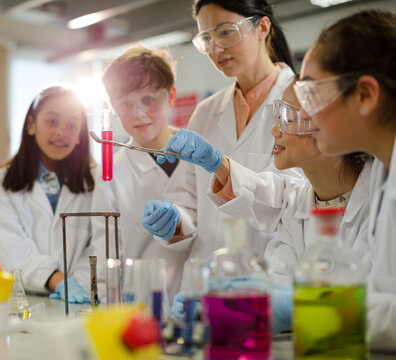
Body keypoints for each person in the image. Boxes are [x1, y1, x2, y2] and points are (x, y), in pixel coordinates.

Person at [168, 80, 373, 334]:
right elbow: (278, 288)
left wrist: (300, 306)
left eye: (287, 117)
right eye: (277, 115)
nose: (274, 130)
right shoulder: (298, 207)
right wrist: (222, 311)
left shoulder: (379, 200)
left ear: (332, 125)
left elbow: (380, 308)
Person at [142, 0, 304, 263]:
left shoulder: (298, 102)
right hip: (206, 277)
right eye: (206, 38)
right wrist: (174, 220)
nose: (216, 48)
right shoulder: (206, 111)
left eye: (226, 32)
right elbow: (187, 198)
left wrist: (222, 167)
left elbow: (295, 194)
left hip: (267, 276)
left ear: (262, 27)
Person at [295, 9, 396, 350]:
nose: (305, 113)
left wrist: (326, 308)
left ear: (365, 95)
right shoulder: (383, 170)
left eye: (311, 94)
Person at [0, 85, 96, 304]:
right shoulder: (3, 182)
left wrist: (79, 283)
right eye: (52, 121)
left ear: (80, 136)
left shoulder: (94, 179)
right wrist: (59, 281)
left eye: (72, 125)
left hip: (80, 298)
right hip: (25, 302)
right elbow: (13, 248)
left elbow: (97, 244)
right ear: (31, 125)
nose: (61, 133)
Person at [96, 45, 191, 300]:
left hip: (202, 300)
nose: (138, 114)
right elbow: (106, 253)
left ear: (170, 96)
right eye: (125, 104)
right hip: (141, 305)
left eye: (148, 99)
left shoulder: (200, 156)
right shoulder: (110, 173)